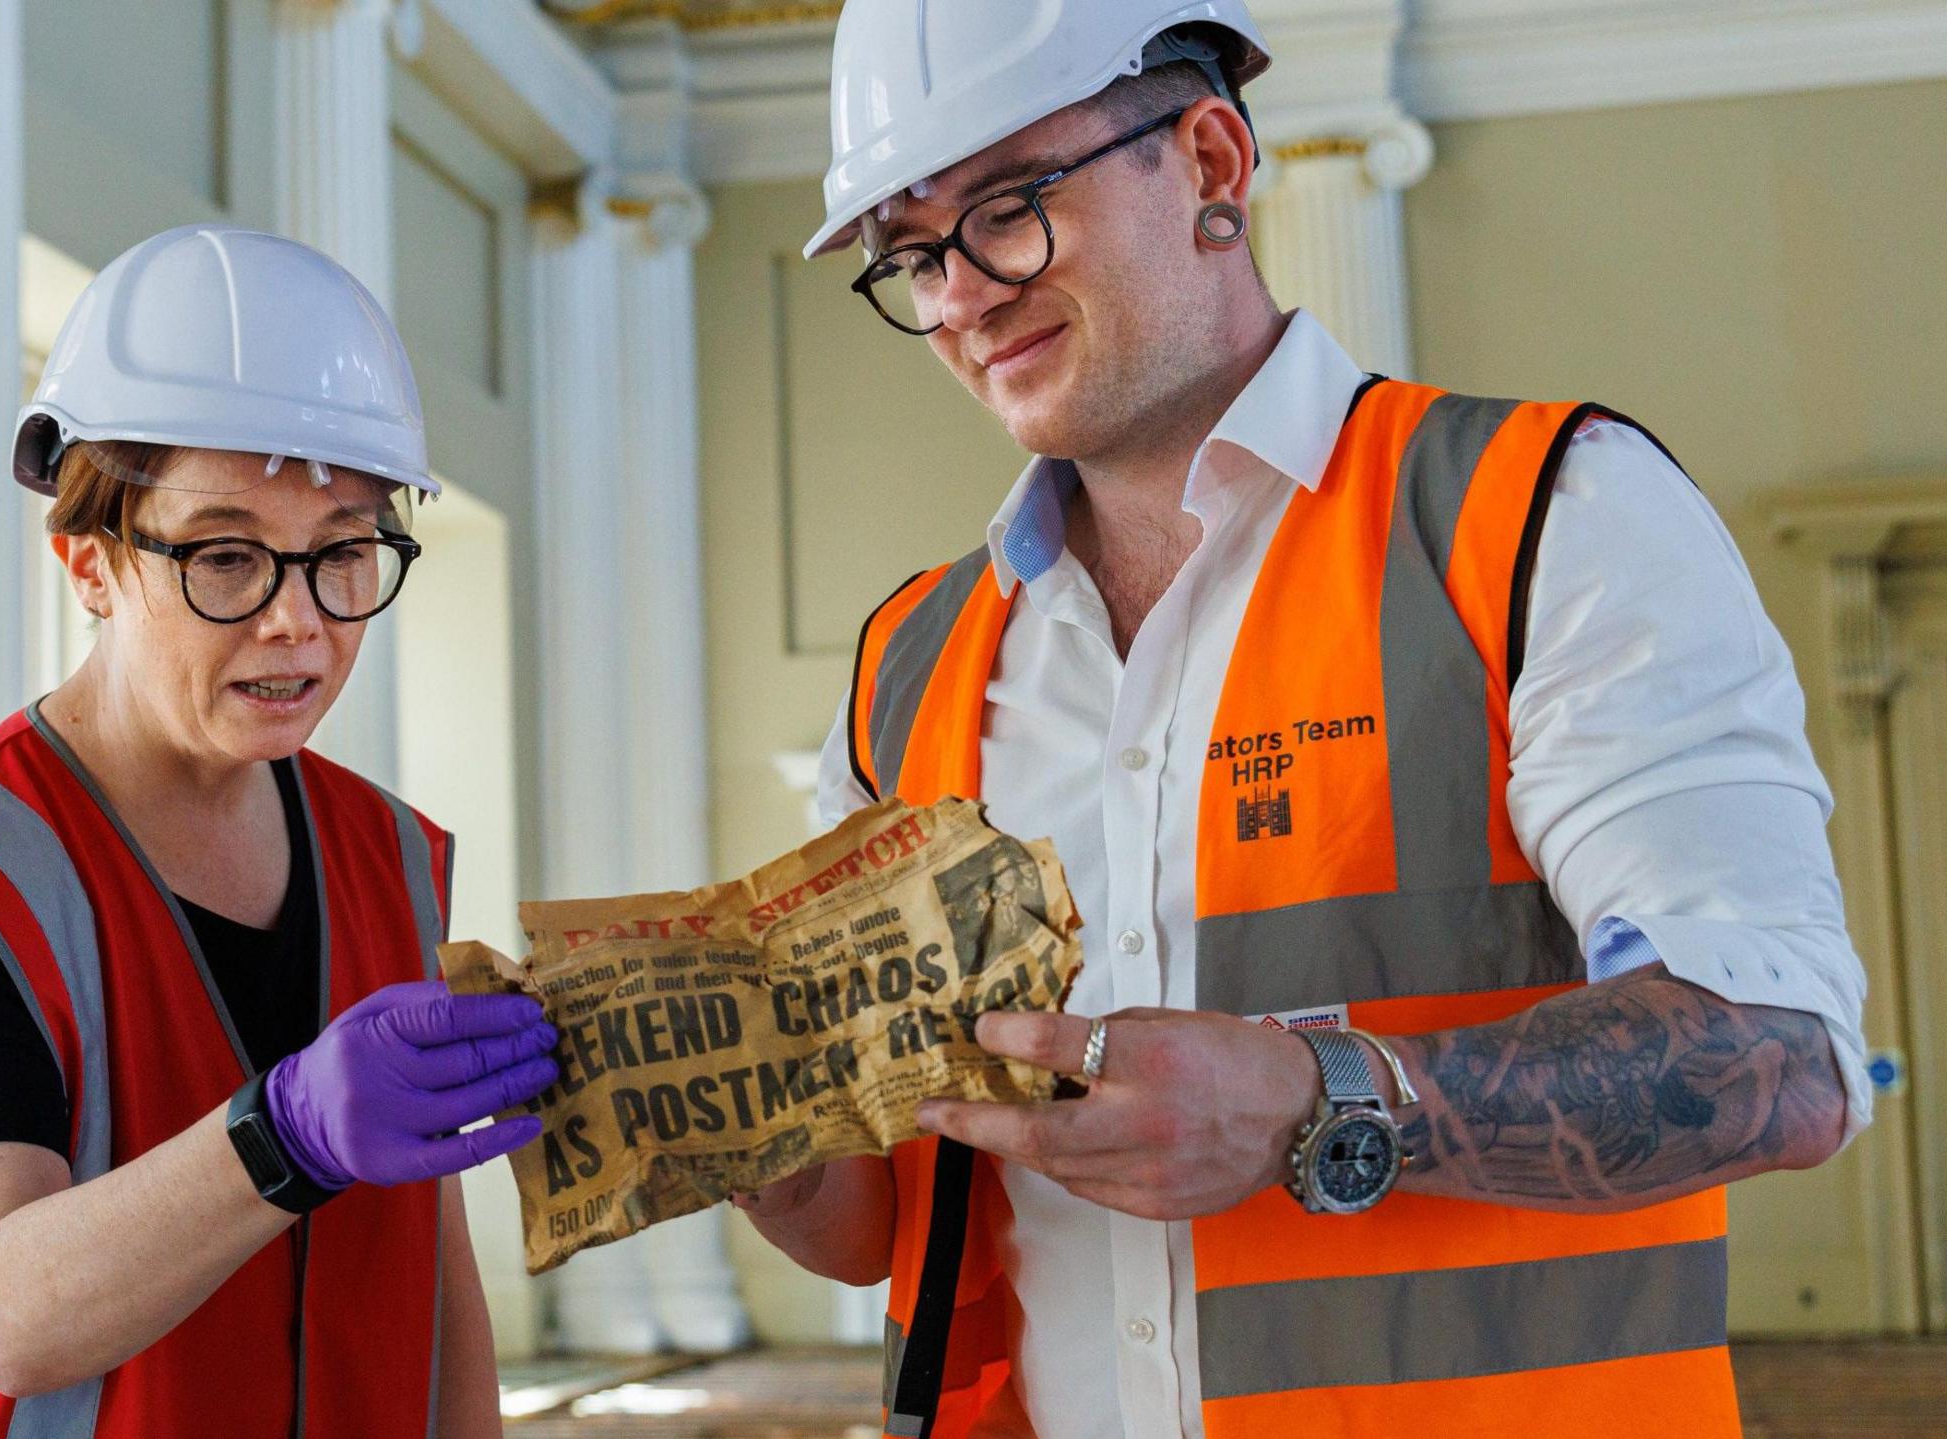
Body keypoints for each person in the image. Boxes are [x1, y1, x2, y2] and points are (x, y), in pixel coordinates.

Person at [733, 4, 1869, 1436]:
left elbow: (1782, 1057)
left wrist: (1313, 1098)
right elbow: (882, 1220)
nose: (959, 295)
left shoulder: (1540, 521)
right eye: (911, 252)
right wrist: (737, 1129)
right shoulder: (908, 663)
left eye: (1007, 209)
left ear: (1209, 156)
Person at [0, 225, 557, 1438]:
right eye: (227, 557)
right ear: (89, 562)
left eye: (342, 553)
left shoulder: (388, 852)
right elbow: (12, 1315)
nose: (299, 622)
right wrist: (284, 1133)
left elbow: (432, 1277)